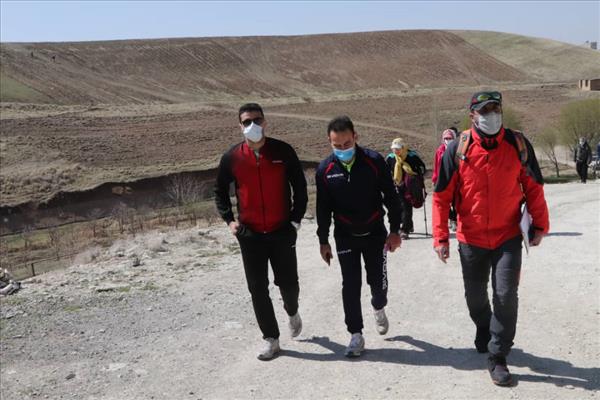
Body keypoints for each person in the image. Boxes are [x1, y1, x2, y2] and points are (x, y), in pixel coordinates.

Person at [432, 91, 549, 386]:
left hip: (507, 236)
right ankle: (484, 326)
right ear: (472, 115)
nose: (492, 115)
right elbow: (441, 197)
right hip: (470, 238)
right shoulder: (457, 149)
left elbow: (534, 187)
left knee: (506, 295)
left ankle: (498, 354)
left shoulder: (517, 144)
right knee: (475, 298)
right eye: (485, 110)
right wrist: (441, 237)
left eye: (496, 109)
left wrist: (540, 225)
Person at [214, 103, 308, 360]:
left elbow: (299, 186)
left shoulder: (282, 151)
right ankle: (271, 339)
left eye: (257, 120)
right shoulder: (232, 157)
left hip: (281, 231)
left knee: (289, 284)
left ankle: (292, 311)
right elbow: (219, 191)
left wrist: (295, 220)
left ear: (265, 122)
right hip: (250, 234)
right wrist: (230, 221)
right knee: (257, 288)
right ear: (240, 126)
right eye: (247, 121)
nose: (252, 125)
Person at [315, 116, 402, 357]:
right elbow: (322, 208)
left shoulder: (374, 161)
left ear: (355, 137)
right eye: (337, 145)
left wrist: (395, 230)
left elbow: (391, 198)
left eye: (347, 143)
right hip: (345, 235)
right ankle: (356, 334)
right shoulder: (325, 170)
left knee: (378, 284)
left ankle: (378, 306)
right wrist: (323, 240)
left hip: (375, 233)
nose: (342, 149)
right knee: (350, 284)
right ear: (330, 142)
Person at [385, 138, 426, 239]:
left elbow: (422, 168)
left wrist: (416, 175)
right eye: (394, 149)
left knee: (406, 206)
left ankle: (404, 229)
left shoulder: (412, 156)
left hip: (410, 186)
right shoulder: (390, 158)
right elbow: (385, 171)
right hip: (396, 185)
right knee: (400, 206)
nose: (395, 151)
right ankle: (408, 225)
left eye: (398, 148)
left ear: (403, 147)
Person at [432, 128, 458, 231]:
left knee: (456, 201)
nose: (448, 140)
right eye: (446, 138)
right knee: (443, 203)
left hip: (456, 179)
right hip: (443, 179)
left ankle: (455, 220)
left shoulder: (458, 149)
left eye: (450, 138)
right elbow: (436, 166)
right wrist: (435, 179)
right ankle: (451, 218)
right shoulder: (440, 151)